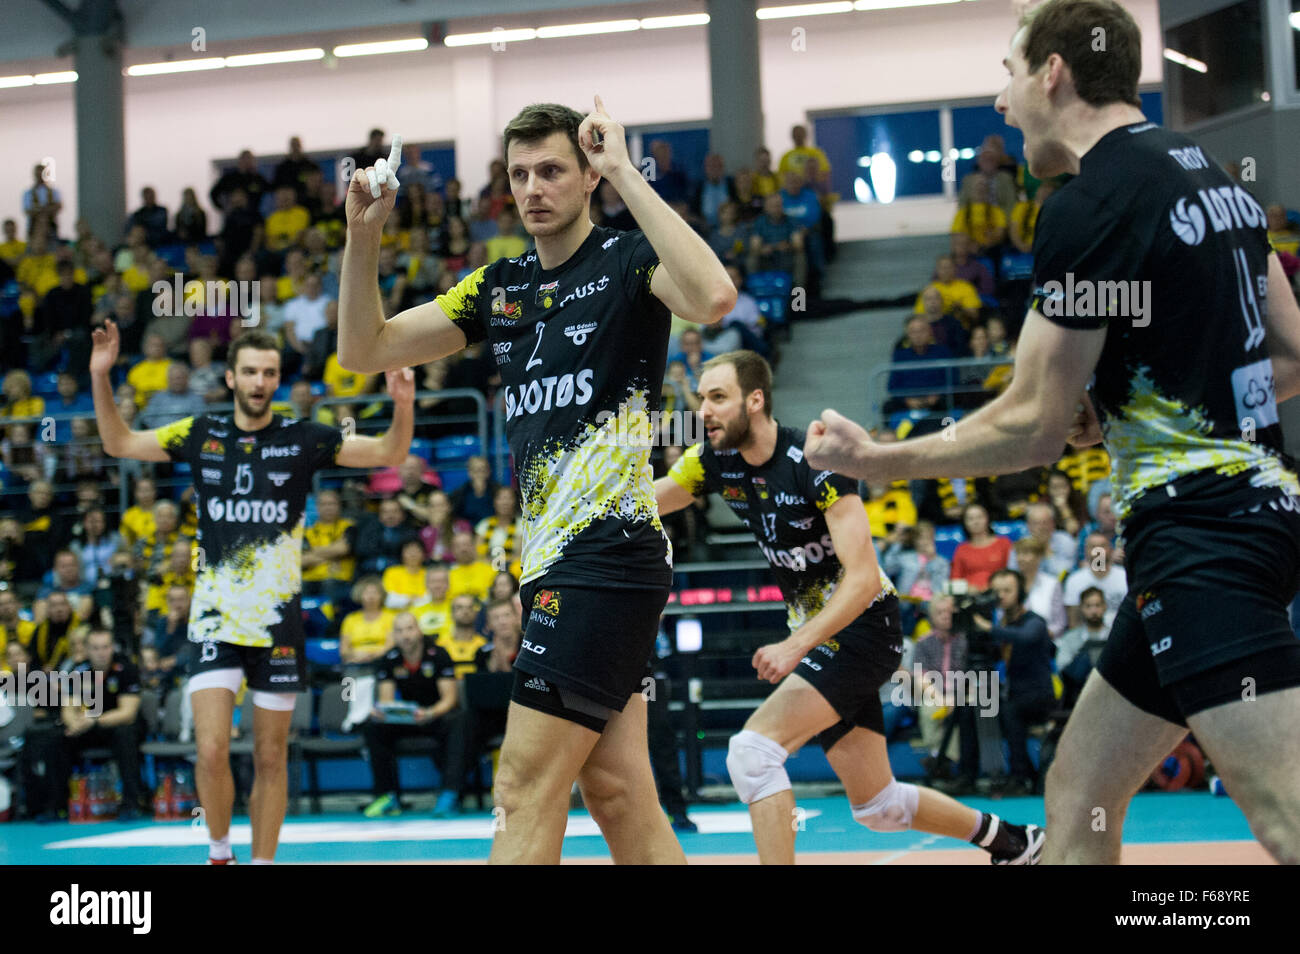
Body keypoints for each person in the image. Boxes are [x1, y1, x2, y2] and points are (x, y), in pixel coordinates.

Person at [803, 0, 1300, 864]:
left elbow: (1032, 429)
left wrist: (878, 461)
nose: (1000, 101)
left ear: (1053, 73)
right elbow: (1291, 354)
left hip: (1201, 541)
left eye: (1006, 73)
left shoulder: (1089, 204)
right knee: (1079, 790)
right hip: (1246, 515)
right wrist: (1125, 410)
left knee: (1285, 815)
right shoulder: (1216, 178)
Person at [338, 99, 735, 864]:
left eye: (552, 170)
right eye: (519, 174)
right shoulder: (499, 287)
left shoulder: (627, 261)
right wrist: (365, 238)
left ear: (588, 177)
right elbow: (365, 348)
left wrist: (624, 169)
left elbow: (713, 297)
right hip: (552, 563)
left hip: (606, 557)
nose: (533, 188)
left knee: (522, 787)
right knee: (617, 795)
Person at [655, 351, 1042, 864]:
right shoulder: (712, 461)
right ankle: (1013, 842)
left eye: (718, 397)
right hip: (821, 639)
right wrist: (581, 505)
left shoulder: (816, 461)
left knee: (751, 753)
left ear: (756, 399)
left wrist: (796, 644)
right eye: (702, 398)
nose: (704, 409)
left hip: (862, 630)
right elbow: (652, 500)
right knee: (879, 807)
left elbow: (861, 579)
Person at [90, 323, 415, 864]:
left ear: (277, 379)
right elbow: (117, 441)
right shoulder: (199, 434)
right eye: (249, 371)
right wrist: (102, 376)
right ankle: (220, 853)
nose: (259, 381)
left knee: (270, 754)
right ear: (230, 377)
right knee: (212, 749)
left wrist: (402, 402)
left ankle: (263, 862)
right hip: (216, 619)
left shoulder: (304, 438)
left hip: (277, 624)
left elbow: (390, 450)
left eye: (268, 372)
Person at [361, 612, 459, 818]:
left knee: (458, 722)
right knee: (374, 726)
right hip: (408, 717)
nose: (405, 635)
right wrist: (384, 712)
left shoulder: (439, 654)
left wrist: (430, 713)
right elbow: (387, 700)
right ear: (394, 635)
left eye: (409, 629)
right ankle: (388, 797)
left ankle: (450, 794)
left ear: (419, 631)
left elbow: (449, 699)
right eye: (399, 631)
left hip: (435, 714)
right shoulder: (389, 659)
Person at [970, 570, 1055, 795]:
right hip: (1014, 694)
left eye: (1007, 591)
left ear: (1021, 593)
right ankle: (970, 774)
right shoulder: (1002, 623)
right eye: (996, 591)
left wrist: (989, 629)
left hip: (1038, 695)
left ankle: (1020, 776)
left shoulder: (1034, 621)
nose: (1001, 596)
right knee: (975, 705)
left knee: (1009, 709)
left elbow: (1025, 637)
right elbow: (993, 654)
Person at [54, 628, 144, 818]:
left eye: (105, 647)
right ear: (86, 649)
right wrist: (74, 725)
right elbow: (69, 709)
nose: (101, 652)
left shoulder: (126, 669)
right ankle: (56, 805)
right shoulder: (79, 672)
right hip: (89, 726)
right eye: (95, 648)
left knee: (124, 735)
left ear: (112, 648)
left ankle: (131, 803)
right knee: (57, 737)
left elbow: (127, 713)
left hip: (118, 725)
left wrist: (93, 721)